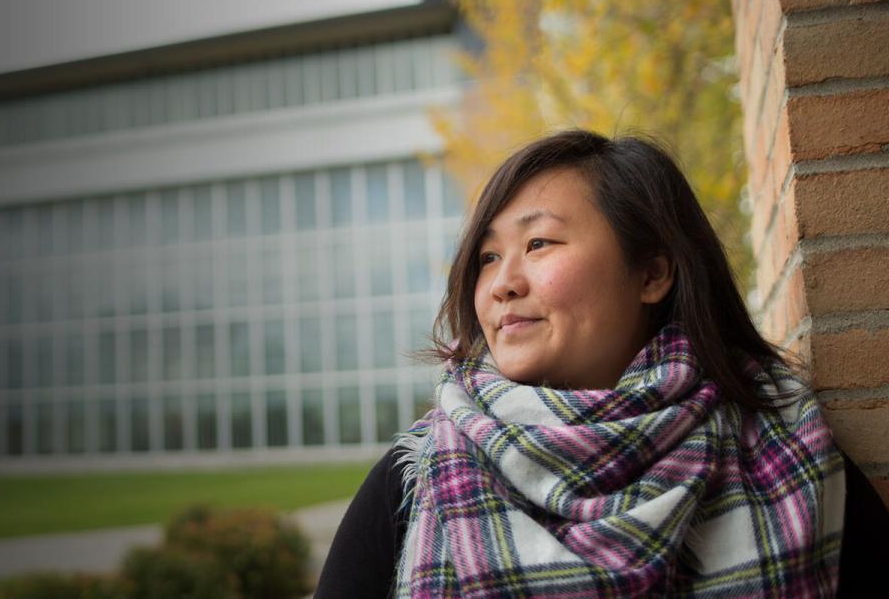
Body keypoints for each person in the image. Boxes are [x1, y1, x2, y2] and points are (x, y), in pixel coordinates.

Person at [316, 130, 888, 598]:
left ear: (651, 274)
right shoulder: (419, 474)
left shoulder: (784, 451)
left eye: (539, 243)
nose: (501, 285)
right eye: (488, 257)